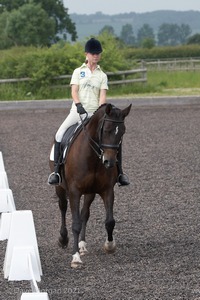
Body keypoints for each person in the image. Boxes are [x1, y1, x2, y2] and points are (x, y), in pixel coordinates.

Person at [48, 37, 130, 186]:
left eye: (98, 53)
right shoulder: (78, 72)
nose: (96, 56)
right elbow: (74, 91)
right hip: (77, 112)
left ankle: (120, 173)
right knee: (59, 134)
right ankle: (57, 172)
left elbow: (102, 96)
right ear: (86, 54)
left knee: (114, 140)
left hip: (95, 114)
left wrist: (101, 111)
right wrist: (78, 105)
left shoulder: (102, 75)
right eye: (93, 53)